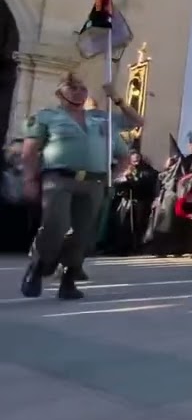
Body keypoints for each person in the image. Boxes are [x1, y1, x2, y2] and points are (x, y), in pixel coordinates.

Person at [20, 74, 139, 299]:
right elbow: (30, 151)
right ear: (59, 93)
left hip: (94, 181)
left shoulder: (102, 118)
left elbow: (137, 123)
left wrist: (117, 98)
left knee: (83, 233)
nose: (78, 92)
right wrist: (29, 179)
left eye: (82, 87)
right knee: (55, 225)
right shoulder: (47, 117)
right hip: (59, 178)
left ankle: (69, 278)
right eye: (71, 87)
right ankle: (38, 266)